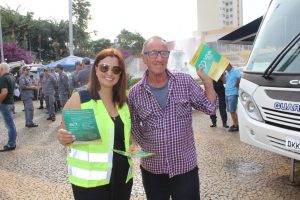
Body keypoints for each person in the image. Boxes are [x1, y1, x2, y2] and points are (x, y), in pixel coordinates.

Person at [128, 36, 217, 200]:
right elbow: (132, 124)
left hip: (184, 168)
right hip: (152, 169)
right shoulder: (135, 93)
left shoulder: (185, 81)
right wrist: (147, 143)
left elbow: (209, 107)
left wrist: (207, 82)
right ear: (144, 58)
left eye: (163, 53)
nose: (159, 58)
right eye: (153, 53)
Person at [57, 48, 134, 200]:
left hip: (122, 178)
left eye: (116, 69)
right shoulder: (81, 99)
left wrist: (133, 145)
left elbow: (125, 137)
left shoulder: (123, 102)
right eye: (104, 67)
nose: (109, 73)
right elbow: (64, 134)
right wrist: (62, 137)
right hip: (91, 184)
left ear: (121, 74)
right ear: (96, 69)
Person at [0, 63, 17, 151]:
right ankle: (12, 142)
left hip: (5, 104)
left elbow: (4, 92)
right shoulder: (12, 77)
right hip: (11, 103)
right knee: (11, 124)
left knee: (9, 125)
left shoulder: (3, 78)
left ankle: (11, 144)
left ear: (1, 69)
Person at [223, 63, 241, 132]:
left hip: (233, 93)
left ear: (229, 65)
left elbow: (240, 78)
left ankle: (236, 126)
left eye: (225, 66)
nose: (224, 67)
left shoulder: (235, 71)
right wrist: (222, 76)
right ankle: (234, 124)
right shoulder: (227, 72)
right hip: (227, 93)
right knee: (230, 111)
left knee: (232, 110)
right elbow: (225, 81)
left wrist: (237, 85)